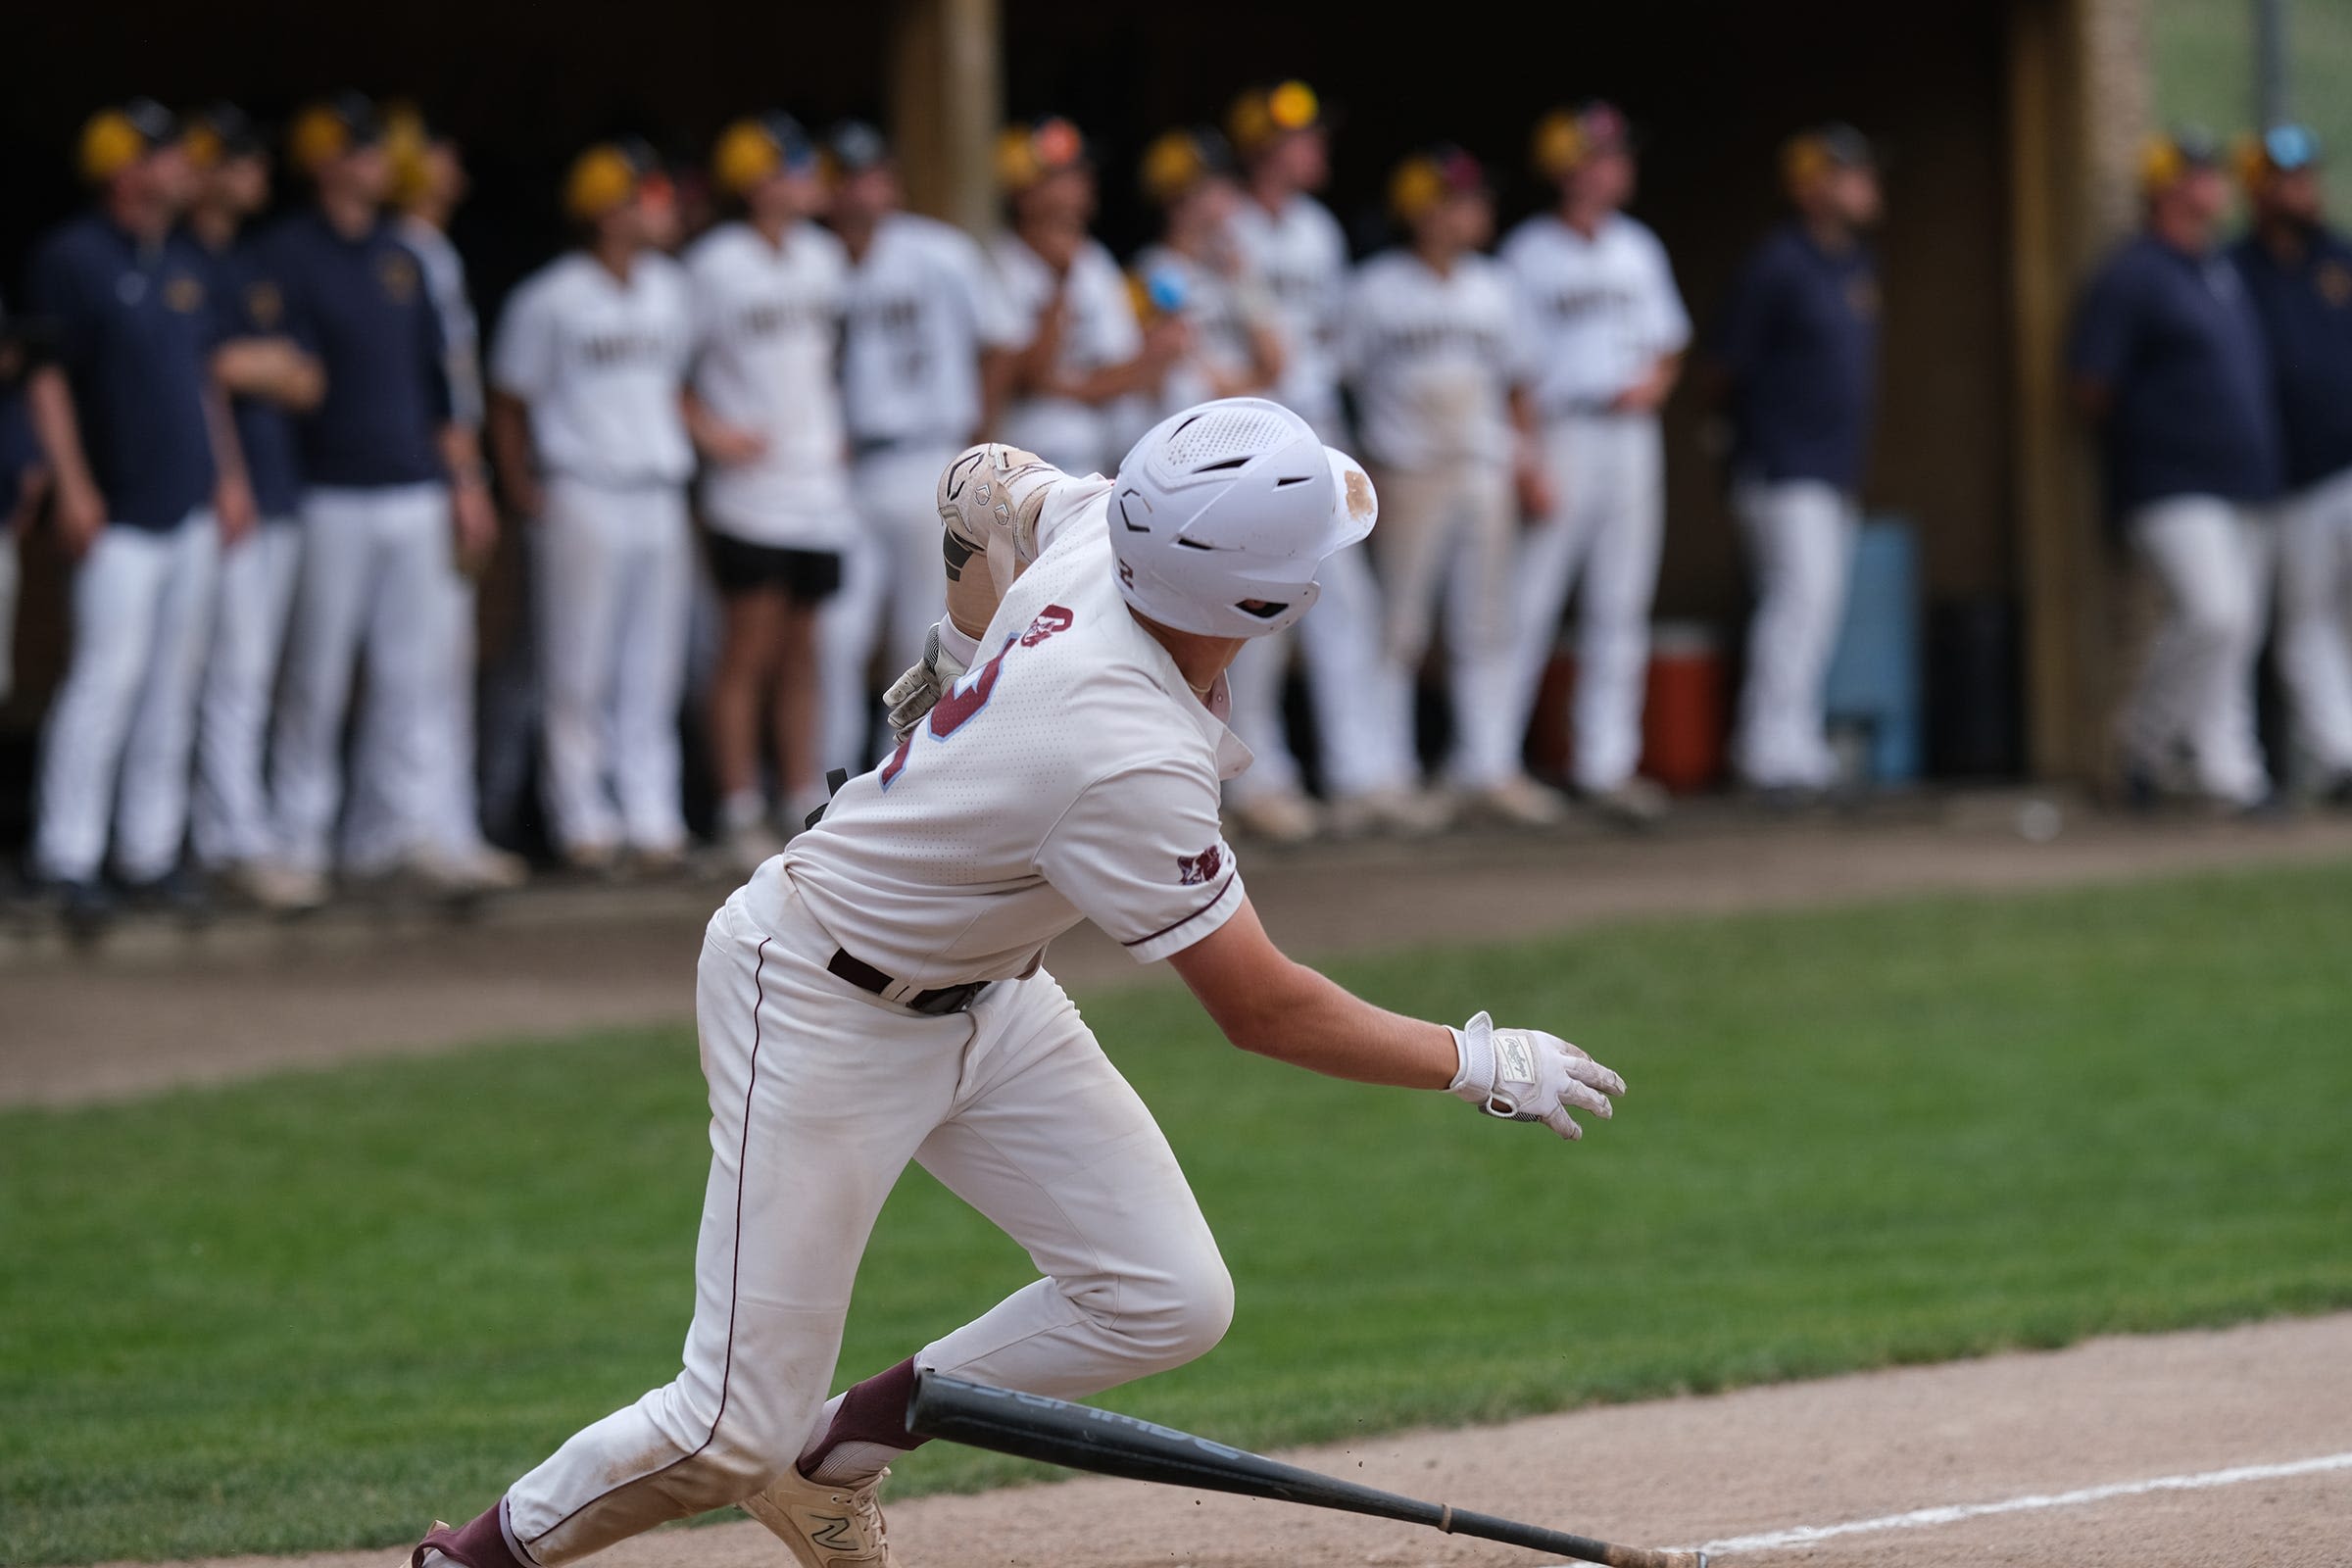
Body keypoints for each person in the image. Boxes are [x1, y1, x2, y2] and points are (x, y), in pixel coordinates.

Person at [407, 402, 1629, 1568]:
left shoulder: (1118, 530)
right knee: (729, 1427)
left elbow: (981, 479)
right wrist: (1477, 1061)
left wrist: (950, 654)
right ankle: (475, 1555)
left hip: (990, 993)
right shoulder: (1126, 755)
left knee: (1166, 1298)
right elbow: (1261, 1008)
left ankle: (836, 1458)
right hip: (819, 997)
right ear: (1268, 597)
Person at [264, 92, 506, 898]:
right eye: (358, 147)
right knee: (317, 674)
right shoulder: (290, 253)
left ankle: (394, 835)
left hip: (415, 487)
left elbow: (444, 388)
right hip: (330, 488)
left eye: (377, 147)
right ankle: (299, 840)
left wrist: (465, 481)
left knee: (415, 671)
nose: (374, 160)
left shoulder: (405, 254)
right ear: (325, 158)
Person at [25, 100, 256, 933]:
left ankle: (148, 852)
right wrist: (74, 486)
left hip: (188, 503)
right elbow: (47, 379)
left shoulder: (181, 258)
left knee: (172, 686)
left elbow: (203, 378)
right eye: (162, 153)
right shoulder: (74, 256)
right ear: (124, 168)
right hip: (117, 507)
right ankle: (68, 853)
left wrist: (228, 475)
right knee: (105, 681)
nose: (181, 164)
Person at [488, 141, 697, 873]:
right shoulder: (550, 297)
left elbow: (673, 389)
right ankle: (583, 821)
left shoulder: (672, 287)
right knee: (578, 668)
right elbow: (510, 400)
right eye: (647, 194)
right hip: (581, 487)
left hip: (657, 487)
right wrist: (522, 488)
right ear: (609, 211)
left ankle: (652, 816)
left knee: (652, 666)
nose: (661, 206)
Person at [2070, 128, 2283, 810]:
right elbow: (2090, 385)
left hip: (2244, 478)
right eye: (2199, 172)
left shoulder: (2216, 270)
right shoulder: (2132, 272)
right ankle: (2149, 743)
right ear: (2166, 187)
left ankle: (2223, 772)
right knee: (2215, 612)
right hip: (2168, 479)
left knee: (2235, 625)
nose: (2214, 183)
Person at [1342, 145, 1553, 829]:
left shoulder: (1496, 285)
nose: (1473, 211)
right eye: (1458, 199)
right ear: (1424, 210)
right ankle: (1385, 771)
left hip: (1483, 467)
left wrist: (1528, 461)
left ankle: (1487, 766)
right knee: (1399, 624)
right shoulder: (1374, 288)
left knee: (1486, 623)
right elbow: (1343, 379)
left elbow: (1520, 383)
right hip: (1408, 470)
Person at [1500, 103, 1690, 828]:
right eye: (1606, 155)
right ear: (1571, 167)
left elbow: (1669, 344)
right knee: (1531, 598)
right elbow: (1513, 371)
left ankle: (1605, 762)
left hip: (1630, 431)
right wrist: (1528, 457)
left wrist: (1654, 386)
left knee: (1622, 600)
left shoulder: (1637, 246)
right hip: (1564, 427)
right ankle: (1492, 761)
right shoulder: (1528, 252)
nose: (1620, 166)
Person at [813, 120, 1021, 774]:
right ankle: (834, 782)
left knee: (928, 634)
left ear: (893, 184)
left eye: (872, 175)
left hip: (929, 455)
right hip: (838, 474)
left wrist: (975, 440)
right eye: (847, 178)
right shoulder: (812, 263)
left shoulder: (939, 251)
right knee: (834, 635)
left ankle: (924, 780)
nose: (861, 191)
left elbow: (1000, 341)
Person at [1219, 80, 1392, 840]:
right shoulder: (1224, 220)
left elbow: (1331, 339)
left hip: (1317, 429)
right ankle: (1262, 781)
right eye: (1302, 136)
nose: (1316, 146)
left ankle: (1360, 774)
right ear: (1265, 147)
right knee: (1253, 610)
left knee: (1345, 605)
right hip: (1251, 435)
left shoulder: (1318, 227)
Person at [684, 111, 855, 866]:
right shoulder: (714, 264)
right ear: (757, 180)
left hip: (817, 484)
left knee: (805, 651)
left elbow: (831, 359)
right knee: (746, 650)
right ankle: (737, 803)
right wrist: (710, 430)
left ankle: (798, 797)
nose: (808, 179)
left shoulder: (824, 257)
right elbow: (670, 371)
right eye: (792, 166)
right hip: (750, 491)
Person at [1706, 123, 1883, 799]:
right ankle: (1764, 746)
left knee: (1818, 606)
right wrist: (1742, 446)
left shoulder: (1857, 264)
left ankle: (1794, 742)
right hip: (1780, 465)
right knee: (1796, 599)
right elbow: (1723, 370)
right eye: (1849, 173)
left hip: (1833, 467)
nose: (1866, 185)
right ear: (1811, 186)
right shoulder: (1776, 264)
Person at [373, 104, 524, 886]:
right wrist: (467, 480)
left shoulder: (428, 250)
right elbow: (442, 391)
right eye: (434, 149)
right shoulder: (404, 251)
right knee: (424, 659)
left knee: (437, 657)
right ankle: (414, 828)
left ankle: (429, 824)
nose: (450, 160)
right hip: (427, 476)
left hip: (433, 475)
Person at [183, 103, 329, 909]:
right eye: (236, 160)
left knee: (254, 670)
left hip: (276, 490)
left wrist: (254, 362)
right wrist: (251, 364)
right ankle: (227, 838)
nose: (254, 173)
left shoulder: (255, 262)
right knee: (225, 672)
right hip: (215, 497)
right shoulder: (181, 260)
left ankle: (240, 831)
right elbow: (210, 369)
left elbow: (308, 379)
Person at [2231, 125, 2352, 803]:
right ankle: (2341, 756)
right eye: (2283, 179)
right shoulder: (2234, 269)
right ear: (2258, 190)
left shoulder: (2340, 258)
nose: (2299, 190)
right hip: (2286, 482)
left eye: (2305, 176)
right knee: (2304, 626)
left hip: (2350, 464)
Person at [989, 117, 1184, 475]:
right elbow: (1025, 379)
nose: (1084, 182)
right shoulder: (999, 262)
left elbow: (1127, 368)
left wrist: (1065, 385)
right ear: (1026, 190)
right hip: (1029, 464)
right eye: (1065, 175)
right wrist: (1059, 285)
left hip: (1095, 455)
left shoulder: (1092, 260)